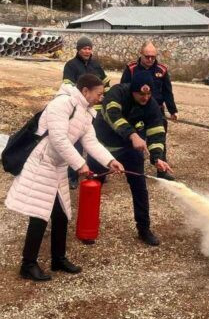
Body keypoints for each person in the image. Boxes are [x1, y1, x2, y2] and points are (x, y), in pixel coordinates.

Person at [5, 74, 124, 281]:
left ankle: (58, 259)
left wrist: (109, 161)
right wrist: (80, 164)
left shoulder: (86, 112)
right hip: (41, 163)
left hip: (57, 166)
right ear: (85, 91)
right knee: (39, 214)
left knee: (61, 214)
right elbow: (58, 139)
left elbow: (91, 142)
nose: (101, 98)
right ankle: (28, 264)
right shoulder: (62, 104)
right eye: (99, 94)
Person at [87, 71, 172, 246]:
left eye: (148, 94)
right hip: (102, 147)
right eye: (141, 94)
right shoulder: (116, 93)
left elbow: (156, 131)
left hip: (129, 149)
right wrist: (133, 135)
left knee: (140, 187)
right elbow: (114, 117)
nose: (145, 97)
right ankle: (87, 228)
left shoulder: (151, 105)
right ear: (133, 90)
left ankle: (144, 229)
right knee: (93, 186)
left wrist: (157, 158)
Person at [120, 41, 178, 180]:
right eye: (147, 56)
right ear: (141, 54)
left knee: (159, 138)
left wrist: (173, 110)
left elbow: (167, 92)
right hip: (136, 112)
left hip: (156, 111)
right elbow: (124, 89)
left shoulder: (162, 70)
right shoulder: (131, 68)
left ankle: (161, 169)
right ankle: (135, 169)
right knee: (136, 140)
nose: (150, 59)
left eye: (153, 56)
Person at [62, 36, 110, 189]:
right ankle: (73, 176)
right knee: (76, 143)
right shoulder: (70, 65)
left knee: (94, 141)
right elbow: (68, 87)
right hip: (78, 110)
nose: (87, 51)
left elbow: (106, 84)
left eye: (89, 48)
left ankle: (96, 171)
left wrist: (105, 99)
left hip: (95, 112)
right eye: (84, 48)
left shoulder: (96, 65)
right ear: (78, 49)